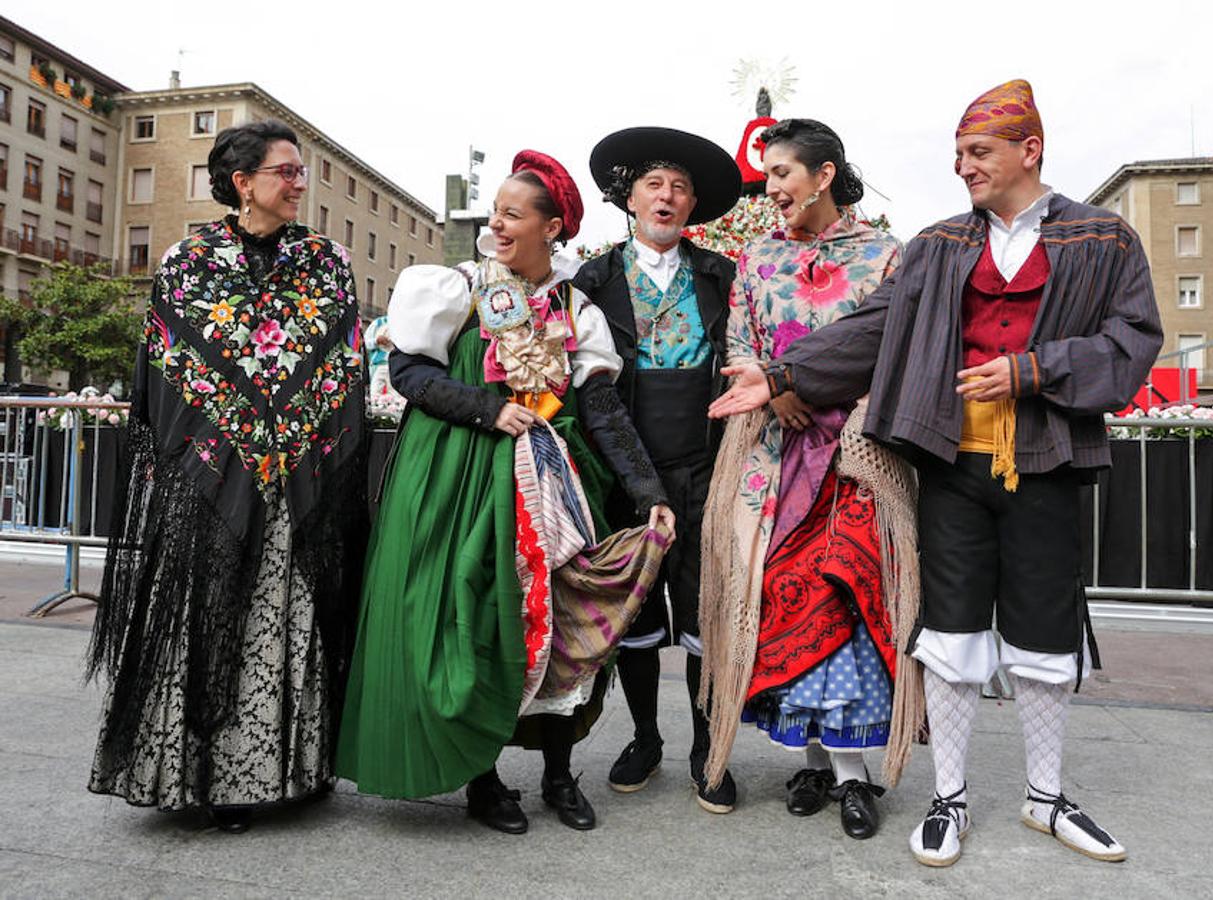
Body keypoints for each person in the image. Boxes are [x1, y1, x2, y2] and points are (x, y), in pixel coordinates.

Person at [711, 81, 1161, 866]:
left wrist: (1030, 371)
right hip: (952, 467)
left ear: (1031, 149)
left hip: (1046, 464)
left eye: (978, 153)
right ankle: (949, 799)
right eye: (957, 155)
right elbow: (875, 327)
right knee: (949, 637)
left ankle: (1045, 798)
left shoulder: (1104, 239)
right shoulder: (939, 244)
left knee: (1047, 640)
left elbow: (1132, 342)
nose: (963, 169)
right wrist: (784, 377)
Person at [336, 151, 675, 835]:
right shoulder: (458, 286)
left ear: (552, 228)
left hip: (554, 489)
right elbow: (406, 373)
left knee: (559, 628)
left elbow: (603, 408)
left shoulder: (576, 307)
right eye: (495, 211)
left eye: (512, 214)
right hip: (461, 483)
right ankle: (483, 782)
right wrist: (488, 410)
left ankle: (557, 775)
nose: (495, 224)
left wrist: (647, 492)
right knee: (477, 621)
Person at [87, 119, 369, 833]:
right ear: (243, 182)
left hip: (299, 478)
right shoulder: (188, 262)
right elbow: (168, 370)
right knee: (210, 621)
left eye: (301, 171)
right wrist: (226, 447)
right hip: (216, 480)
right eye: (287, 171)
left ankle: (292, 775)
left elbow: (342, 367)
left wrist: (298, 439)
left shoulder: (328, 263)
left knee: (288, 623)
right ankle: (208, 776)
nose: (300, 182)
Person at [697, 119, 920, 840]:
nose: (772, 188)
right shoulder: (757, 260)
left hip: (854, 456)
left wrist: (811, 386)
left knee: (847, 593)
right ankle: (820, 763)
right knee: (781, 601)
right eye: (768, 176)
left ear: (824, 176)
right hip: (773, 453)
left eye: (784, 173)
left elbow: (894, 351)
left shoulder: (885, 257)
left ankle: (856, 777)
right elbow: (739, 342)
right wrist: (781, 391)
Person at [573, 127, 741, 812]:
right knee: (634, 609)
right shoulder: (594, 280)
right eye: (654, 185)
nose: (666, 197)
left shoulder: (722, 276)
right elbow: (588, 388)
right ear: (630, 197)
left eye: (679, 187)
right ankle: (645, 735)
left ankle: (708, 746)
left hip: (708, 462)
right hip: (624, 465)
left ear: (693, 203)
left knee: (706, 607)